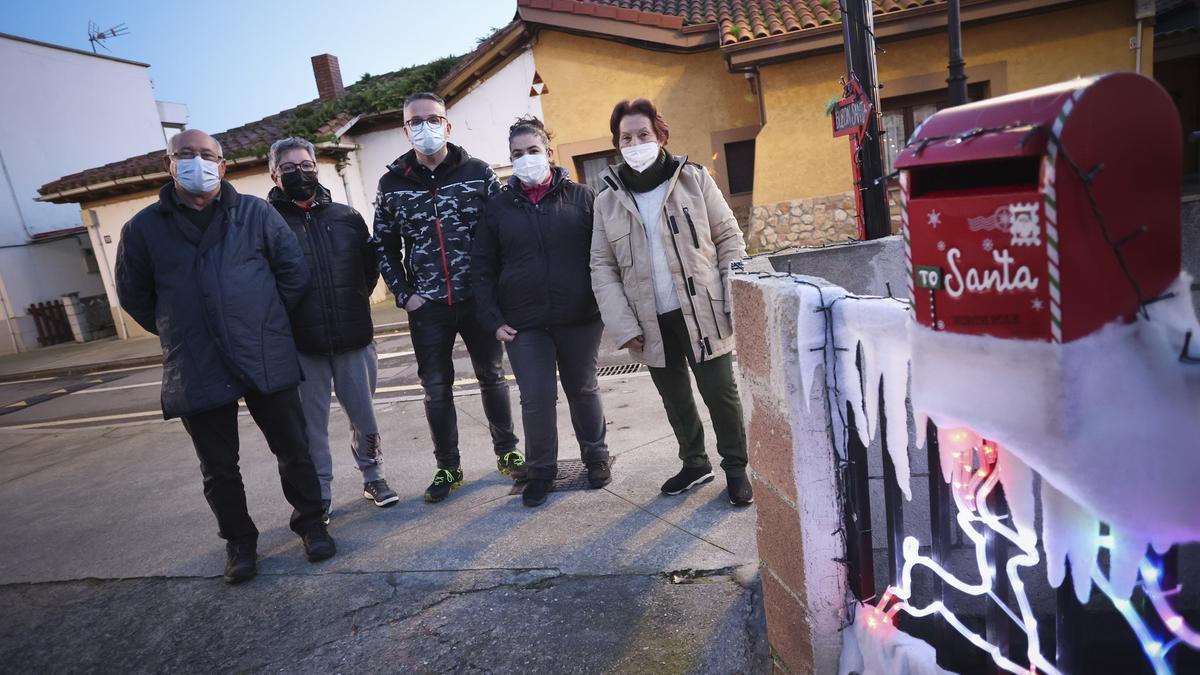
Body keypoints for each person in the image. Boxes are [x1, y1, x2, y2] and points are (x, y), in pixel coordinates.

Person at [115, 129, 334, 585]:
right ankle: (240, 543)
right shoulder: (143, 228)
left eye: (208, 155)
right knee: (218, 467)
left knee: (293, 449)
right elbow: (135, 297)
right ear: (169, 163)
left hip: (262, 350)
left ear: (224, 165)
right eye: (186, 155)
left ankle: (311, 524)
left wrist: (262, 320)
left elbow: (293, 274)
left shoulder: (254, 213)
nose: (199, 162)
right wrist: (182, 328)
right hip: (196, 360)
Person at [589, 98, 753, 506]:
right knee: (675, 398)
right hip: (648, 318)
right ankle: (695, 463)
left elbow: (729, 238)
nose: (636, 142)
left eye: (643, 134)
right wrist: (624, 325)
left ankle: (735, 468)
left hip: (702, 310)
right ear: (617, 144)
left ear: (660, 136)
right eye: (626, 137)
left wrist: (732, 295)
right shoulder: (606, 200)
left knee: (720, 392)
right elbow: (602, 267)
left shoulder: (694, 180)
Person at [372, 92, 522, 503]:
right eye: (416, 121)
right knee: (436, 389)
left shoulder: (477, 173)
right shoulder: (391, 183)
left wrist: (495, 292)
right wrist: (405, 295)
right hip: (429, 307)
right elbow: (382, 246)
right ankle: (448, 467)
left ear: (448, 125)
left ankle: (508, 452)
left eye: (434, 119)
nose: (426, 127)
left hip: (478, 302)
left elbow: (501, 233)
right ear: (405, 130)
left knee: (492, 377)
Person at [472, 117, 610, 507]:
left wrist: (604, 304)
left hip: (580, 316)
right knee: (536, 396)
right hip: (523, 323)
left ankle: (596, 457)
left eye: (532, 151)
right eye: (517, 154)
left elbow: (604, 258)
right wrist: (493, 319)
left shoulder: (583, 198)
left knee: (583, 388)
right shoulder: (498, 207)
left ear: (549, 153)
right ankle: (541, 471)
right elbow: (481, 268)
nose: (525, 159)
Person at [267, 137, 398, 521]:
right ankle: (319, 493)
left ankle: (374, 477)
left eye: (305, 165)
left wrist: (350, 302)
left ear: (316, 166)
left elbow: (367, 269)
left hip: (353, 339)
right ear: (273, 174)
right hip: (302, 347)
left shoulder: (346, 217)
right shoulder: (268, 224)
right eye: (289, 168)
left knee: (365, 419)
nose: (299, 173)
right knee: (311, 430)